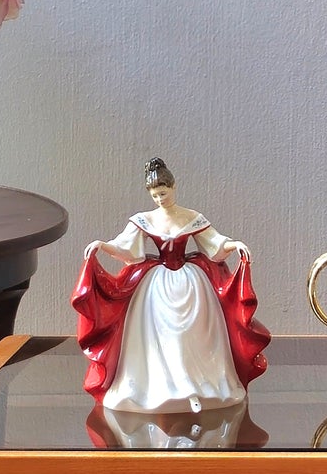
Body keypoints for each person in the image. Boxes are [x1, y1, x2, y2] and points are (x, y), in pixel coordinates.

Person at [72, 158, 270, 412]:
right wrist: (102, 245)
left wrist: (235, 245)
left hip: (192, 283)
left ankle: (197, 385)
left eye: (163, 193)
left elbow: (214, 243)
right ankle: (159, 387)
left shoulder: (191, 217)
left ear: (174, 187)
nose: (160, 199)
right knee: (157, 335)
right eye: (155, 195)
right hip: (155, 286)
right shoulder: (144, 219)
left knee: (195, 333)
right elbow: (125, 247)